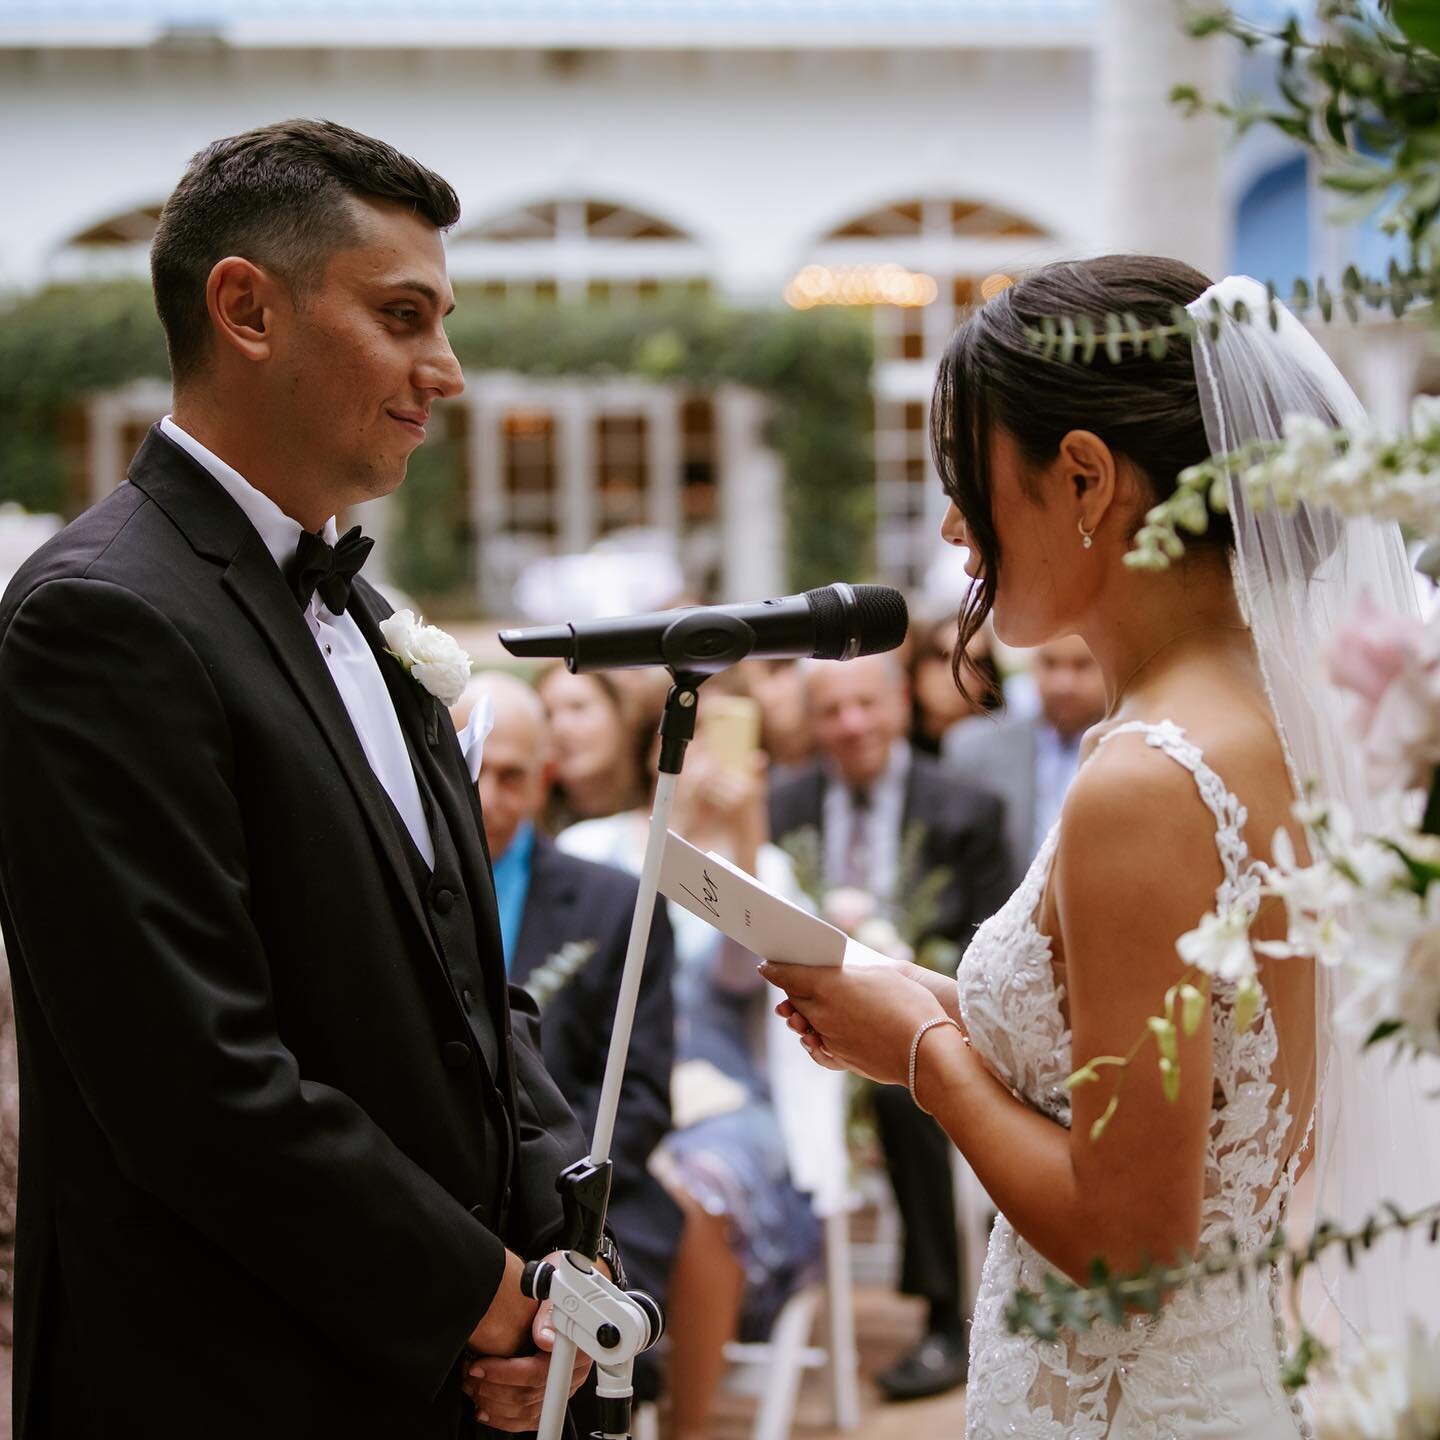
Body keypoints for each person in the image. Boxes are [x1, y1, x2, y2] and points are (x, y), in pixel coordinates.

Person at [0, 120, 599, 1440]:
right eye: (402, 317)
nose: (444, 371)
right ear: (246, 308)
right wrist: (486, 1298)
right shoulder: (98, 619)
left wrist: (568, 1252)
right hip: (221, 1379)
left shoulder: (373, 614)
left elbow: (464, 987)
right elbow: (196, 1084)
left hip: (426, 1369)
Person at [759, 255, 1416, 1436]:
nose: (954, 526)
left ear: (1082, 478)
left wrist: (923, 1056)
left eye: (966, 480)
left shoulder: (1147, 781)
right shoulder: (1268, 717)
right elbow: (1192, 1108)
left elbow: (1133, 1246)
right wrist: (916, 999)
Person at [552, 679, 838, 1440]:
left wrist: (744, 828)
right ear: (658, 747)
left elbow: (742, 975)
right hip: (611, 1086)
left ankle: (690, 1424)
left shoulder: (763, 865)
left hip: (721, 1097)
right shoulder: (590, 849)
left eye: (727, 733)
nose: (707, 752)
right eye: (688, 733)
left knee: (700, 1194)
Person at [768, 652, 1012, 1401]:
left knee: (914, 1080)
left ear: (900, 702)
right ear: (812, 722)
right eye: (832, 711)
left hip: (921, 1017)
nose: (851, 726)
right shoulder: (781, 805)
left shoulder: (968, 807)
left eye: (865, 705)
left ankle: (944, 1317)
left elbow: (994, 945)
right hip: (791, 1024)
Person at [461, 672, 682, 1425]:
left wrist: (549, 1203)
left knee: (584, 1328)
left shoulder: (615, 904)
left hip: (590, 1192)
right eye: (473, 768)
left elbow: (645, 1097)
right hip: (449, 1199)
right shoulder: (395, 886)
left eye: (513, 775)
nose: (489, 795)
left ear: (545, 776)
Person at [943, 633, 1107, 871]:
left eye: (1081, 665)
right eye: (1050, 664)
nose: (1063, 683)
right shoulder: (975, 747)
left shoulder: (1136, 749)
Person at [535, 664, 650, 832]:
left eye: (578, 707)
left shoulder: (663, 804)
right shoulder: (529, 827)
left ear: (620, 711)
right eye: (547, 714)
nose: (560, 727)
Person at [907, 612, 1002, 757]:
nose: (957, 675)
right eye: (942, 656)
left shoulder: (1002, 753)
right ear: (917, 666)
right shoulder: (890, 748)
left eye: (974, 664)